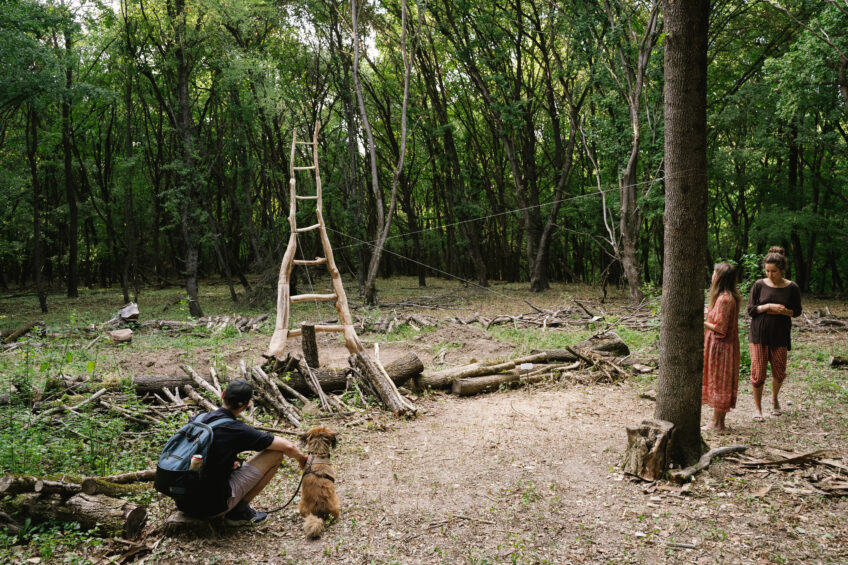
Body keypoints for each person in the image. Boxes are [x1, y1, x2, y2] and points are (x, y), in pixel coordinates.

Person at [177, 378, 307, 525]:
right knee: (275, 454)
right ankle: (237, 512)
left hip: (184, 502)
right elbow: (287, 447)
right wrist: (302, 459)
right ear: (246, 405)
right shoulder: (237, 429)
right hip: (211, 507)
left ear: (223, 394)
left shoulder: (199, 418)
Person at [746, 246, 802, 420]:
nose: (770, 274)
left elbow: (797, 311)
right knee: (758, 372)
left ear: (782, 270)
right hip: (759, 335)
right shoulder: (759, 285)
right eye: (767, 271)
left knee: (779, 372)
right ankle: (757, 408)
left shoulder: (792, 287)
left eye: (774, 271)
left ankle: (774, 398)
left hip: (780, 335)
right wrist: (768, 307)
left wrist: (784, 311)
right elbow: (750, 310)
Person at [702, 262, 741, 432]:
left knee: (720, 383)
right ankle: (715, 421)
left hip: (722, 347)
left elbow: (721, 328)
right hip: (717, 345)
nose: (712, 275)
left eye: (714, 272)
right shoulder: (723, 297)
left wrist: (701, 321)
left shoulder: (725, 299)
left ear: (719, 277)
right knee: (717, 382)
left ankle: (719, 424)